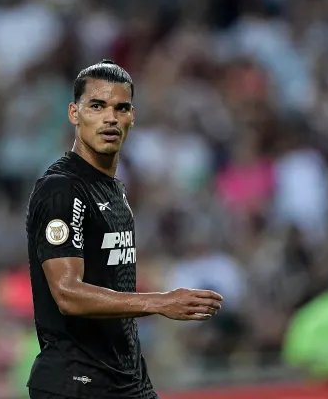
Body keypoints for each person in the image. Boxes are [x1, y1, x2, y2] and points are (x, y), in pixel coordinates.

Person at [25, 60, 225, 399]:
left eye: (121, 108)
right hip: (77, 383)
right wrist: (160, 302)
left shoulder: (114, 190)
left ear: (132, 117)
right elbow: (67, 293)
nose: (110, 118)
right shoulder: (62, 190)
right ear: (75, 113)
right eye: (97, 106)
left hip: (126, 381)